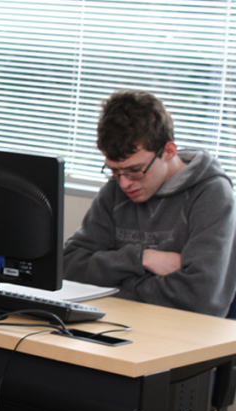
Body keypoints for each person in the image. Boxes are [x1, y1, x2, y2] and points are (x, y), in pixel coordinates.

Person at [63, 89, 236, 317]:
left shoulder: (212, 195)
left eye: (135, 170)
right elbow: (68, 267)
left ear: (168, 151)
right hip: (119, 321)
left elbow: (200, 298)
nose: (125, 184)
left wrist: (111, 280)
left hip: (185, 334)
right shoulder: (115, 190)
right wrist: (142, 259)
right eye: (115, 171)